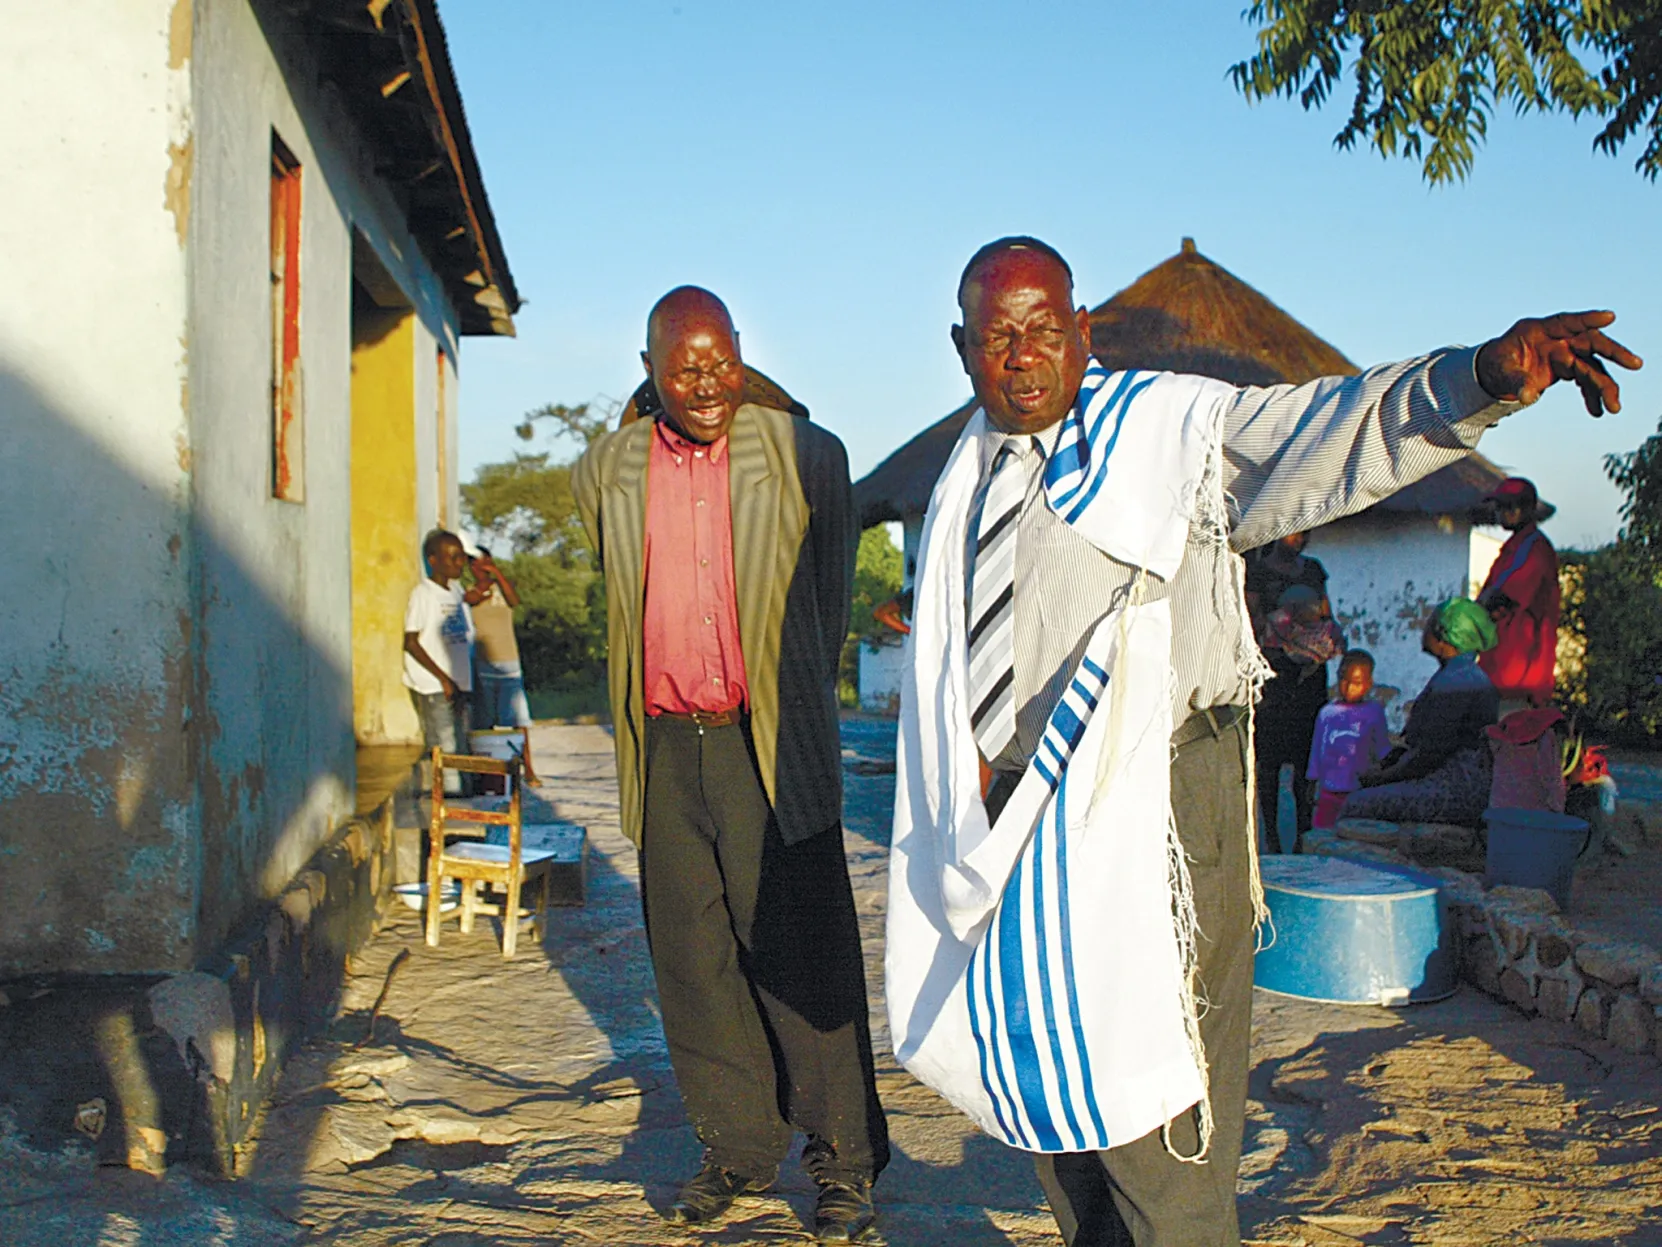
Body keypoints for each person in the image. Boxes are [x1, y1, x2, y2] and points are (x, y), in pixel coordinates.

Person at [884, 235, 1638, 1247]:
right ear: (962, 346)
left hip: (1152, 809)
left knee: (1163, 1111)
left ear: (1084, 334)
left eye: (1045, 330)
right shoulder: (966, 479)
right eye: (997, 335)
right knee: (1057, 1093)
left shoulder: (1169, 440)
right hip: (1015, 826)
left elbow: (1325, 426)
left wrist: (1477, 377)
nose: (1022, 354)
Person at [573, 287, 888, 1242]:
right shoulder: (608, 471)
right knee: (695, 961)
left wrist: (785, 710)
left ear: (744, 357)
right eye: (684, 366)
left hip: (769, 741)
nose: (706, 383)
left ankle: (845, 1167)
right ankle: (738, 1152)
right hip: (668, 744)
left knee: (805, 956)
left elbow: (827, 602)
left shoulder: (807, 456)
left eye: (722, 361)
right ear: (648, 371)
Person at [1342, 599, 1502, 826]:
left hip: (1456, 790)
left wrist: (1381, 778)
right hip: (1462, 784)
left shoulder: (1454, 683)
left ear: (1444, 636)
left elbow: (1428, 755)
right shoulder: (1463, 674)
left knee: (1355, 805)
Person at [1255, 583, 1345, 850]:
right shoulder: (1273, 631)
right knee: (1270, 776)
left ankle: (1300, 837)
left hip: (1305, 713)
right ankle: (1272, 836)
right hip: (1275, 711)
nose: (1316, 613)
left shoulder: (1326, 634)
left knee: (1303, 779)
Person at [1476, 476, 1560, 711]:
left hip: (1518, 676)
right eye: (1500, 506)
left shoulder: (1532, 548)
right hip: (1502, 670)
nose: (1503, 513)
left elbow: (1499, 597)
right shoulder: (1513, 549)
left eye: (1510, 506)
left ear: (1529, 509)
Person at [403, 529, 475, 796]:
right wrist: (443, 679)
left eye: (461, 558)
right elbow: (411, 641)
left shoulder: (455, 592)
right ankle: (449, 804)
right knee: (443, 745)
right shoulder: (423, 594)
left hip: (459, 684)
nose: (460, 563)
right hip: (435, 686)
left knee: (460, 745)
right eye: (453, 557)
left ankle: (462, 803)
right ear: (433, 560)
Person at [465, 542, 541, 786]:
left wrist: (496, 574)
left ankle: (528, 768)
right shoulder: (467, 590)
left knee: (519, 718)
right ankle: (487, 772)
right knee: (485, 720)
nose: (480, 568)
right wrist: (482, 589)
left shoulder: (501, 588)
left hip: (509, 662)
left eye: (484, 562)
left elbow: (514, 599)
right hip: (483, 664)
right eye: (475, 563)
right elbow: (472, 599)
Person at [1306, 650, 1392, 830]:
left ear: (1368, 684)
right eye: (1344, 680)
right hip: (1329, 790)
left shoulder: (1374, 712)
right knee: (1323, 833)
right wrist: (1312, 782)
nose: (1349, 687)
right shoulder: (1327, 713)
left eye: (1357, 683)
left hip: (1358, 790)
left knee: (1354, 833)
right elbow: (1317, 750)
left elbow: (1382, 748)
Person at [1243, 530, 1326, 636]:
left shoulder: (1312, 568)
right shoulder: (1259, 572)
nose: (1300, 539)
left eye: (1305, 533)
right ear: (1278, 533)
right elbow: (1252, 618)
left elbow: (1325, 612)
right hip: (1276, 648)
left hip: (1315, 643)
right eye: (1294, 533)